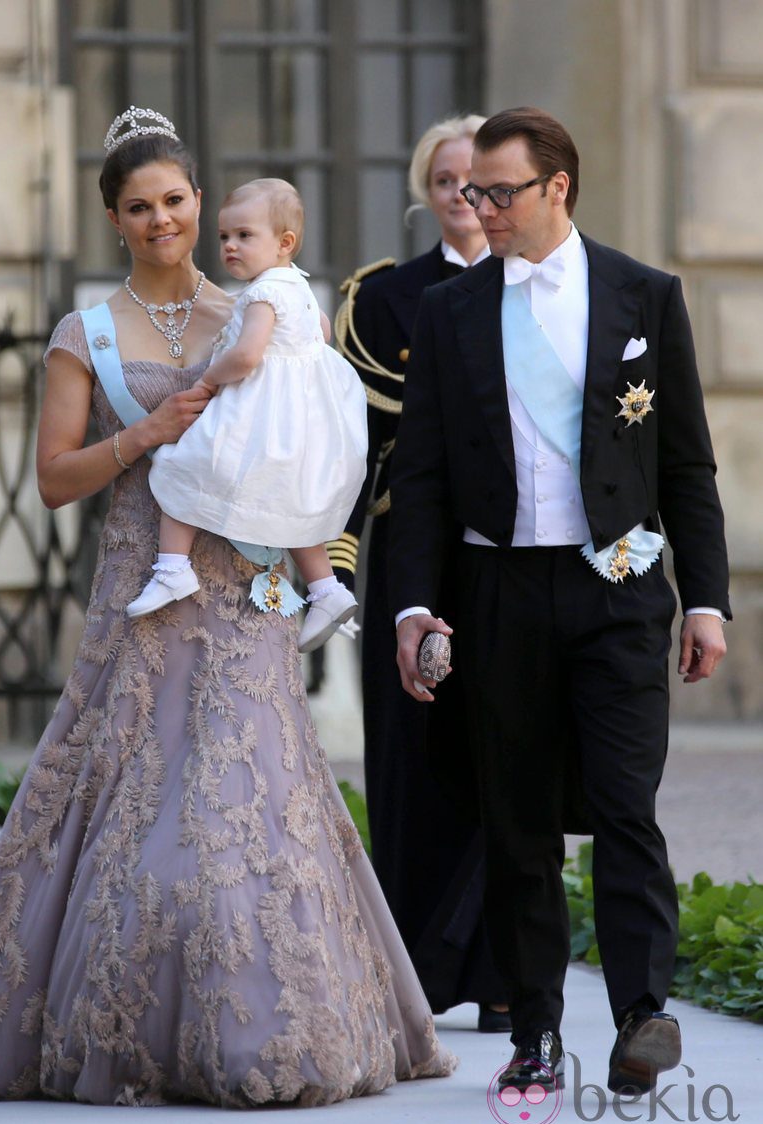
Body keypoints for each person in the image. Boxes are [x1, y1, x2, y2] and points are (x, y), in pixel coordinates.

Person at [0, 106, 455, 1107]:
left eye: (175, 199)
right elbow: (52, 479)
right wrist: (143, 436)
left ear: (202, 204)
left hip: (246, 595)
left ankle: (275, 1021)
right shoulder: (83, 334)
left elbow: (311, 437)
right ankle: (135, 1028)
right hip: (144, 589)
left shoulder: (256, 309)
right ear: (114, 219)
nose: (161, 218)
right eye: (140, 206)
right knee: (131, 806)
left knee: (251, 801)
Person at [387, 106, 729, 1097]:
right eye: (467, 191)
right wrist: (415, 607)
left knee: (626, 807)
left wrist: (702, 599)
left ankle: (641, 1016)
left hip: (617, 587)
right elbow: (420, 480)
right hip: (496, 590)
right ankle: (532, 1029)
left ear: (555, 189)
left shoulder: (641, 295)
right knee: (518, 821)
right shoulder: (449, 313)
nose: (475, 207)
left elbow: (684, 467)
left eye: (496, 192)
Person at [332, 114, 510, 1032]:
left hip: (513, 557)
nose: (460, 192)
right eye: (444, 178)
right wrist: (321, 571)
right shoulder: (381, 299)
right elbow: (350, 456)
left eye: (476, 177)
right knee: (409, 760)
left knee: (504, 760)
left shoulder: (542, 288)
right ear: (425, 190)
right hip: (410, 558)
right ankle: (411, 976)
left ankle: (499, 969)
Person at [127, 177, 365, 655]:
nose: (230, 246)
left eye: (244, 236)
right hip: (297, 433)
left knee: (180, 465)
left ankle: (172, 567)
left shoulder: (262, 294)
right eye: (224, 237)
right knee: (288, 509)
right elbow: (320, 338)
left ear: (284, 242)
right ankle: (327, 590)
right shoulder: (299, 286)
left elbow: (248, 356)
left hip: (255, 422)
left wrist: (210, 379)